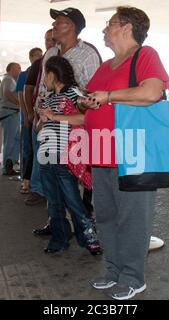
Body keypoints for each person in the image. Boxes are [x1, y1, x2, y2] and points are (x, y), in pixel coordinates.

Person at [81, 7, 169, 300]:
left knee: (133, 218)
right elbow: (89, 103)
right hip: (101, 151)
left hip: (133, 152)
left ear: (127, 27)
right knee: (106, 215)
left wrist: (108, 96)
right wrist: (80, 104)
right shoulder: (106, 66)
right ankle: (112, 271)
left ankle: (133, 277)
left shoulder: (145, 56)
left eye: (110, 24)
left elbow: (151, 92)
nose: (105, 29)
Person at [32, 7, 102, 236]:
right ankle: (57, 223)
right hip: (48, 124)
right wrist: (38, 115)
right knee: (50, 176)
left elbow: (93, 93)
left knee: (73, 178)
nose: (54, 26)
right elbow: (43, 87)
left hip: (73, 126)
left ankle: (81, 227)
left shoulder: (88, 54)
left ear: (71, 26)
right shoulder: (51, 52)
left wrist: (75, 109)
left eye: (59, 22)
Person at [37, 55, 102, 256]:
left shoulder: (74, 94)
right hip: (46, 154)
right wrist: (42, 118)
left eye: (45, 75)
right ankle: (59, 239)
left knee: (73, 200)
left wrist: (55, 116)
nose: (43, 81)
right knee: (54, 202)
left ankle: (89, 238)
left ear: (52, 74)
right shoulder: (47, 98)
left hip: (65, 156)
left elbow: (86, 117)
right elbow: (41, 126)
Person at [24, 29, 55, 206]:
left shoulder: (59, 60)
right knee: (38, 153)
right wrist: (30, 112)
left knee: (48, 156)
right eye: (46, 40)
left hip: (55, 117)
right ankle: (37, 189)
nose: (48, 43)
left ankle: (47, 190)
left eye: (51, 39)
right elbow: (27, 90)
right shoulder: (39, 63)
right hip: (39, 116)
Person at [17, 48, 43, 194]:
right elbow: (22, 94)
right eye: (36, 56)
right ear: (30, 57)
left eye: (40, 55)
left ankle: (34, 182)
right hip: (29, 115)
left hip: (39, 115)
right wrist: (27, 114)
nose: (38, 58)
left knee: (38, 150)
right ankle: (26, 179)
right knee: (28, 149)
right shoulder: (25, 74)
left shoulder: (44, 68)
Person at [0, 62, 21, 176]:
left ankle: (11, 162)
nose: (20, 70)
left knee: (16, 138)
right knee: (10, 140)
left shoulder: (11, 80)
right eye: (18, 68)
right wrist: (19, 104)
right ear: (11, 69)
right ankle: (6, 166)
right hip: (9, 112)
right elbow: (7, 94)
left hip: (13, 112)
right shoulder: (8, 79)